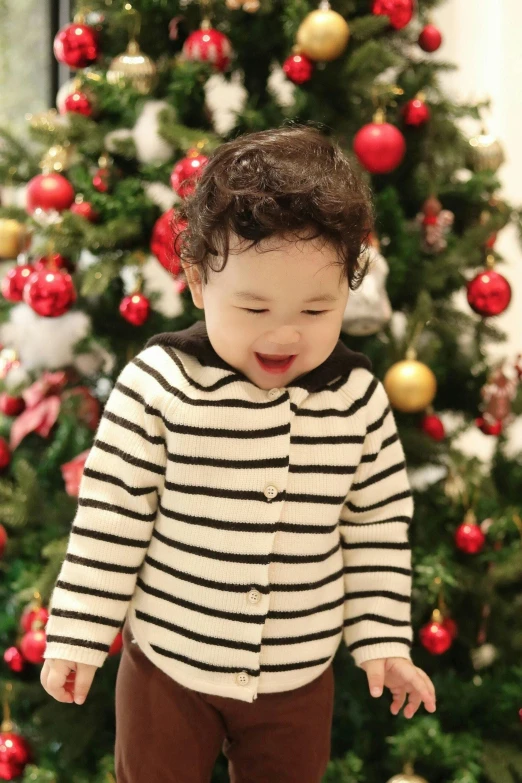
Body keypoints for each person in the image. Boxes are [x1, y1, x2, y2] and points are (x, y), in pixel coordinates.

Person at [41, 123, 436, 783]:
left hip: (296, 675)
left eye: (317, 310)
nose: (285, 332)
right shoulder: (159, 384)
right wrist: (77, 636)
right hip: (169, 667)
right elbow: (110, 522)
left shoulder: (357, 397)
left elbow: (375, 529)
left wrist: (383, 641)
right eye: (253, 306)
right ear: (197, 283)